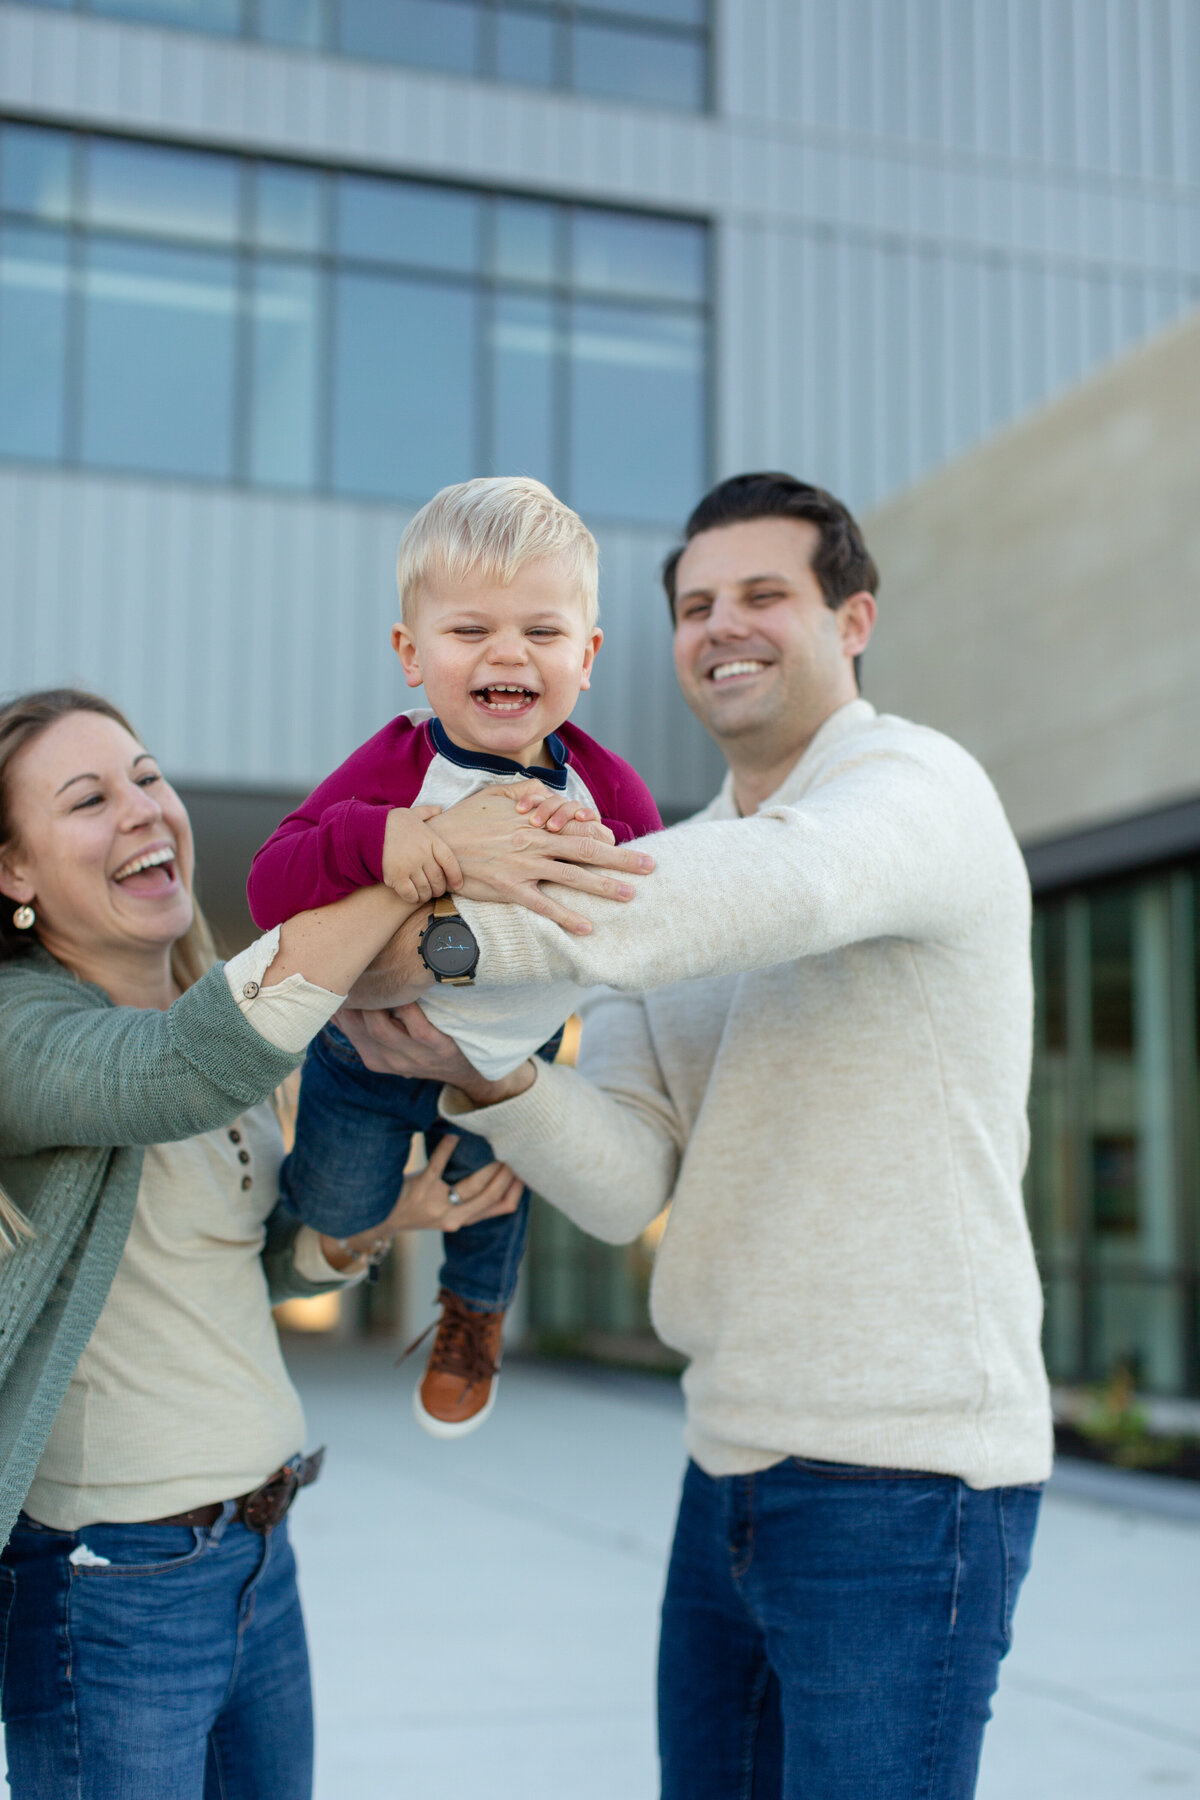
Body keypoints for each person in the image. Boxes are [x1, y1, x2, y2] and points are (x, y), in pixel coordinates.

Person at [330, 474, 1054, 1800]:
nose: (726, 626)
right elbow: (624, 1181)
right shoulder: (671, 867)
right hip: (726, 1463)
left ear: (854, 620)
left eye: (765, 594)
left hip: (908, 1480)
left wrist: (413, 942)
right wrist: (484, 1074)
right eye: (697, 604)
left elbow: (797, 884)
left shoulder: (912, 788)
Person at [0, 687, 648, 1800]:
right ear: (13, 872)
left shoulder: (209, 1009)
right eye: (88, 800)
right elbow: (167, 1077)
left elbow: (242, 1267)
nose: (142, 810)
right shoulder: (23, 1030)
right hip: (111, 1583)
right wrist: (427, 852)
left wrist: (381, 1227)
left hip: (260, 1546)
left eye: (148, 777)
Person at [246, 477, 660, 1438]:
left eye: (542, 634)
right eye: (470, 631)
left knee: (492, 1197)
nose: (508, 653)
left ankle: (473, 1317)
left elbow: (653, 911)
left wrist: (596, 853)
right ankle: (357, 1238)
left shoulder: (604, 787)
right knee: (333, 1205)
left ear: (587, 656)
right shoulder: (393, 767)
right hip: (360, 1057)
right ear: (411, 654)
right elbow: (270, 886)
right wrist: (376, 838)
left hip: (499, 1060)